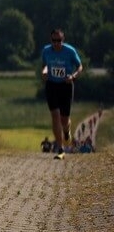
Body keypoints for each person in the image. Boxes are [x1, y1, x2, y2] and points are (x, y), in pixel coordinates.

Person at [40, 28, 84, 160]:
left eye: (59, 40)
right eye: (54, 40)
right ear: (51, 40)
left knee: (64, 119)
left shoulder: (70, 51)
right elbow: (45, 65)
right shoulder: (46, 50)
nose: (56, 43)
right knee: (55, 116)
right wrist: (44, 71)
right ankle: (60, 149)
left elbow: (80, 66)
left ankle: (67, 130)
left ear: (63, 40)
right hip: (52, 85)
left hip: (66, 85)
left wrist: (74, 76)